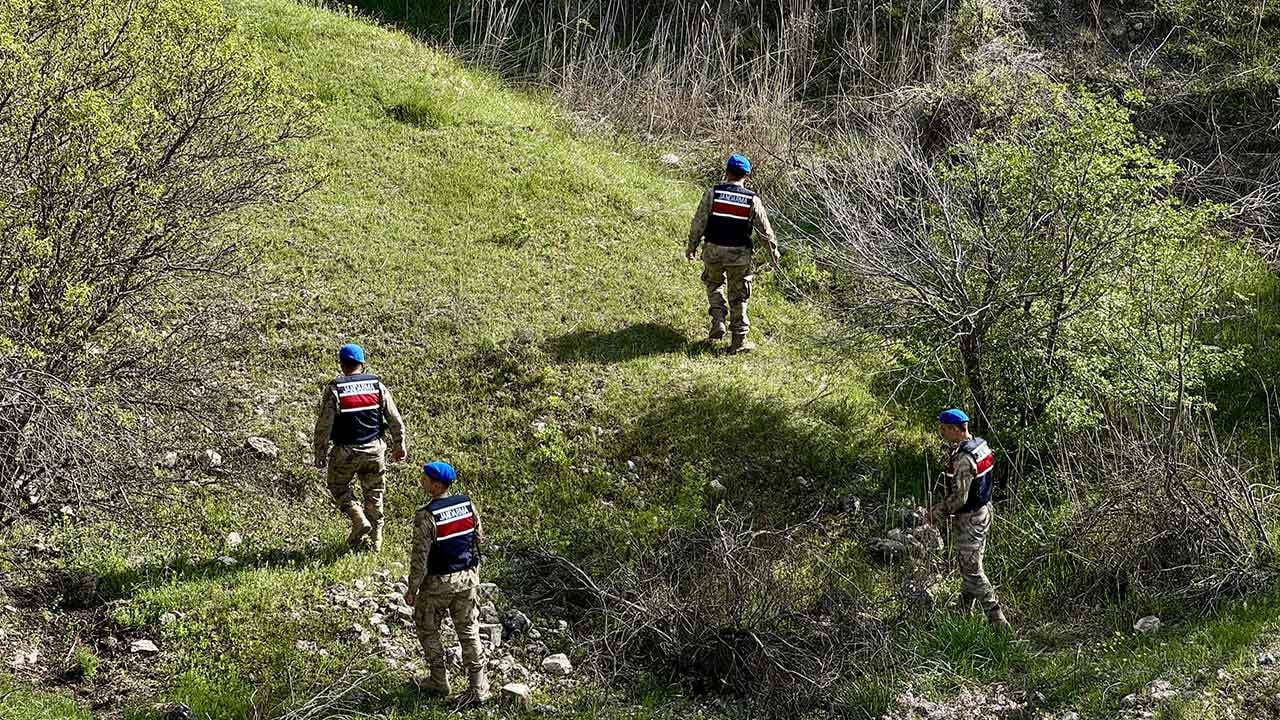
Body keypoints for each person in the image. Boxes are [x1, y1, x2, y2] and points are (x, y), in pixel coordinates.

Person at [405, 461, 490, 706]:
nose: (421, 480)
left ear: (436, 485)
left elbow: (420, 557)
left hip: (437, 584)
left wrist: (412, 589)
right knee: (469, 631)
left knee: (428, 628)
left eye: (425, 478)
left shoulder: (426, 515)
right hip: (467, 579)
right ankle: (478, 687)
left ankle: (438, 680)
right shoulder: (467, 505)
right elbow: (478, 537)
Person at [313, 343, 406, 551]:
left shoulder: (335, 388)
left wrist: (320, 451)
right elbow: (394, 418)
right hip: (375, 449)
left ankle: (357, 518)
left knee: (338, 486)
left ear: (342, 364)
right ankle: (376, 539)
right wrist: (399, 444)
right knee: (374, 492)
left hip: (346, 451)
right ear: (362, 364)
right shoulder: (376, 386)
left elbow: (324, 424)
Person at [686, 153, 781, 354]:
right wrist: (773, 255)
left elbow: (699, 222)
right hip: (739, 255)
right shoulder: (752, 200)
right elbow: (765, 232)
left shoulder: (713, 193)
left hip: (713, 250)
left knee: (713, 284)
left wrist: (692, 246)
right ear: (747, 175)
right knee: (739, 296)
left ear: (726, 172)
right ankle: (738, 342)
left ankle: (718, 319)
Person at [927, 408, 1011, 630]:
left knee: (973, 570)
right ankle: (963, 611)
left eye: (944, 429)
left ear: (956, 429)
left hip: (971, 518)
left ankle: (998, 622)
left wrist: (937, 512)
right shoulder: (980, 445)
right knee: (969, 564)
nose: (941, 433)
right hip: (984, 511)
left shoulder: (965, 458)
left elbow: (960, 498)